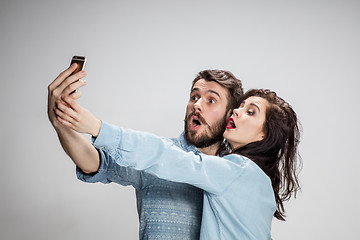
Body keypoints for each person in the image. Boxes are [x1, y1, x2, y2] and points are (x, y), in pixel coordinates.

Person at [55, 87, 301, 239]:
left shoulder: (236, 171)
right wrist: (60, 122)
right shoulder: (260, 184)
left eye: (251, 112)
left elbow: (168, 157)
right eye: (240, 107)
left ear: (263, 136)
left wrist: (97, 128)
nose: (237, 112)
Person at [47, 63, 243, 239]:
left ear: (229, 116)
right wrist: (60, 124)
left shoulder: (239, 173)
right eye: (194, 97)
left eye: (211, 100)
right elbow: (95, 163)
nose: (197, 105)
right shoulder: (150, 156)